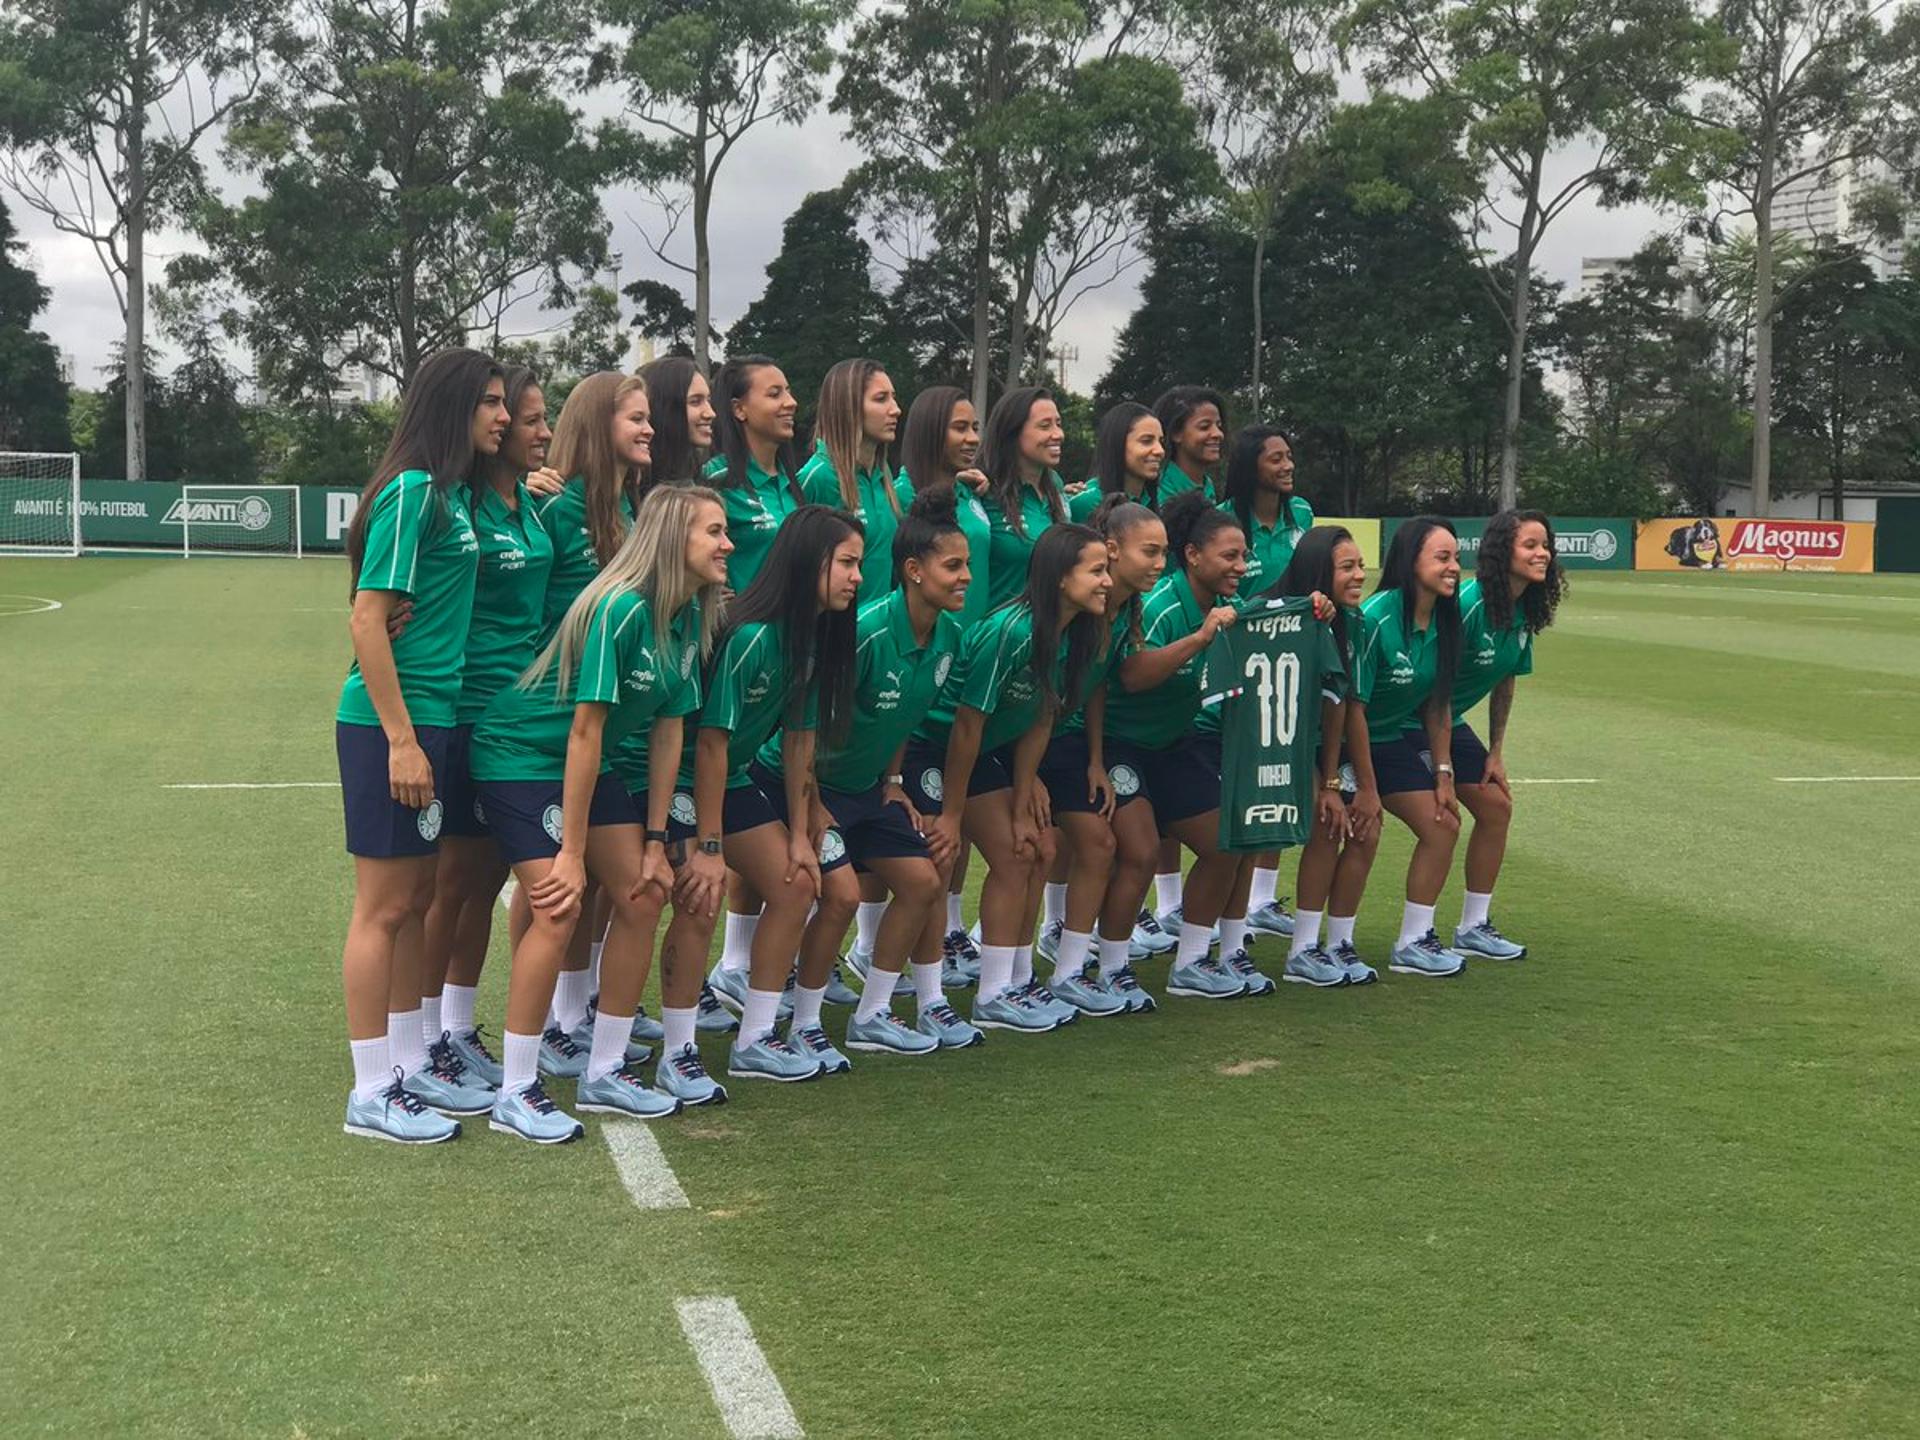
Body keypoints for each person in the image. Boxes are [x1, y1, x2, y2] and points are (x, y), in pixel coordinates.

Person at [469, 483, 731, 1140]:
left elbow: (669, 731)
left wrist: (652, 839)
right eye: (714, 532)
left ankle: (605, 1070)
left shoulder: (690, 614)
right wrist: (571, 852)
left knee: (647, 892)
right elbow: (584, 734)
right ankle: (516, 1091)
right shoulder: (619, 608)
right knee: (559, 904)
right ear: (676, 540)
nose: (728, 545)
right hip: (524, 756)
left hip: (590, 764)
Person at [335, 347, 503, 1143]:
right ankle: (370, 1089)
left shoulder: (451, 496)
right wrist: (403, 741)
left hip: (429, 715)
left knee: (415, 903)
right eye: (491, 403)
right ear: (453, 408)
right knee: (383, 907)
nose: (502, 417)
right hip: (388, 724)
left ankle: (403, 1069)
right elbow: (368, 617)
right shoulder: (411, 491)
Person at [768, 488, 979, 1053]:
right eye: (953, 566)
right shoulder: (863, 633)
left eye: (967, 566)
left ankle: (874, 1014)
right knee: (839, 896)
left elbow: (903, 716)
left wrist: (891, 783)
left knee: (925, 880)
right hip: (814, 788)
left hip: (868, 789)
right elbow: (801, 730)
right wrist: (813, 805)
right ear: (913, 571)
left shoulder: (949, 638)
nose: (965, 577)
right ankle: (803, 1024)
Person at [674, 506, 865, 1082]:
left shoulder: (810, 637)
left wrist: (805, 831)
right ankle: (676, 1051)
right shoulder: (753, 634)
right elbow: (709, 746)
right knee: (700, 899)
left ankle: (755, 1040)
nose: (857, 577)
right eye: (847, 564)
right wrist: (709, 846)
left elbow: (798, 743)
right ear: (810, 563)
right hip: (681, 782)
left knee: (798, 883)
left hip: (728, 780)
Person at [903, 523, 1112, 1032]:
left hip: (986, 752)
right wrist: (952, 815)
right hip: (934, 747)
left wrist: (1023, 797)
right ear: (1061, 579)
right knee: (999, 854)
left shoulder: (1074, 634)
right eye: (1097, 570)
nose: (1108, 581)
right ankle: (991, 993)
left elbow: (1041, 719)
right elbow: (966, 727)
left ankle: (1017, 980)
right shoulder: (1013, 631)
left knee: (1037, 844)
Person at [419, 366, 557, 1090]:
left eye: (535, 417)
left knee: (485, 880)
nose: (533, 430)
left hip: (516, 722)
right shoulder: (458, 504)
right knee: (453, 885)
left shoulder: (532, 507)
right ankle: (421, 1037)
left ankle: (456, 1026)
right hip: (466, 713)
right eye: (521, 416)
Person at [1101, 491, 1259, 1001]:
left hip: (1173, 743)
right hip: (1117, 744)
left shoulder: (1226, 607)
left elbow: (1267, 622)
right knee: (1141, 852)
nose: (1241, 565)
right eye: (1229, 556)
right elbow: (1130, 675)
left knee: (1225, 843)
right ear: (1193, 556)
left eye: (1243, 555)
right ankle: (1110, 968)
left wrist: (1315, 608)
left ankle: (1191, 963)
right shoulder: (1163, 605)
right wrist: (1199, 639)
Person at [1035, 495, 1169, 1014]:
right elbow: (1039, 702)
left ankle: (1094, 968)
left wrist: (1094, 760)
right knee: (1047, 849)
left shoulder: (1116, 610)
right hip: (1026, 747)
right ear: (1112, 551)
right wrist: (1028, 776)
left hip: (1074, 746)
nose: (1160, 564)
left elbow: (1095, 689)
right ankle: (1031, 971)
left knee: (1119, 846)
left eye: (1164, 554)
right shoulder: (1068, 612)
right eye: (1150, 552)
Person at [1328, 516, 1470, 979]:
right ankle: (1333, 943)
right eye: (1443, 557)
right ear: (1412, 562)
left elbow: (1438, 707)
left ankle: (1414, 941)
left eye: (1456, 558)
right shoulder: (1375, 619)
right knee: (1363, 829)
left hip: (1388, 738)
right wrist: (1367, 789)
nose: (1454, 568)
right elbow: (1354, 711)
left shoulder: (1447, 619)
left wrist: (1444, 775)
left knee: (1444, 824)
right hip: (1345, 740)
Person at [896, 386, 994, 988]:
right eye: (959, 427)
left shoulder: (971, 493)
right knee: (925, 819)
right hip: (917, 669)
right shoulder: (905, 496)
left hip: (967, 658)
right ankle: (895, 947)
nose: (971, 437)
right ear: (931, 430)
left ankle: (951, 926)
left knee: (949, 819)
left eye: (975, 426)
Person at [1445, 508, 1566, 960]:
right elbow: (1430, 686)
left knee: (1496, 808)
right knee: (1437, 822)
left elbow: (1506, 677)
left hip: (1447, 722)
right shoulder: (1467, 606)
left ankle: (1473, 926)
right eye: (1530, 545)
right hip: (1404, 721)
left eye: (1544, 545)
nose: (1543, 554)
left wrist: (1495, 751)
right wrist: (1440, 767)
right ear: (1502, 552)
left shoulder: (1521, 611)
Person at [1219, 424, 1316, 940]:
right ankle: (1194, 902)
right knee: (1244, 773)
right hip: (1240, 654)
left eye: (1290, 455)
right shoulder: (1226, 519)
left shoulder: (1301, 515)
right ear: (1251, 464)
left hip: (1291, 657)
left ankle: (1261, 897)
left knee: (1279, 766)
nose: (1287, 464)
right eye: (1275, 457)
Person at [1275, 526, 1379, 986]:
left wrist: (1360, 786)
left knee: (1365, 829)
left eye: (1361, 565)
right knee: (1325, 826)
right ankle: (1302, 950)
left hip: (1323, 742)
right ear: (1320, 572)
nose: (1360, 575)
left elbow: (1347, 705)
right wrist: (1327, 786)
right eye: (1347, 567)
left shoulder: (1355, 622)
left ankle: (1338, 942)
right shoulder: (1286, 616)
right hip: (1278, 740)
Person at [798, 358, 909, 607]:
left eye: (893, 397)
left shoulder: (884, 477)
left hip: (877, 635)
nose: (896, 409)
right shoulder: (817, 477)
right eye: (881, 399)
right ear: (847, 407)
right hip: (833, 635)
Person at [701, 354, 806, 592]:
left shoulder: (792, 483)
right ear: (739, 409)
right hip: (746, 626)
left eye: (788, 392)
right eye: (774, 394)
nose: (791, 402)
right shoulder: (714, 480)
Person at [977, 386, 1069, 611]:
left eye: (1058, 423)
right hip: (997, 635)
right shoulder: (983, 489)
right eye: (1044, 426)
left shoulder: (1056, 484)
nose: (1058, 434)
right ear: (1012, 432)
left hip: (1046, 633)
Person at [1067, 403, 1165, 521]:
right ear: (1117, 444)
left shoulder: (1154, 500)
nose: (1160, 451)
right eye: (1146, 441)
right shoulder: (1087, 502)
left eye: (1161, 441)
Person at [640, 355, 717, 488]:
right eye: (695, 402)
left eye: (708, 400)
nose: (711, 413)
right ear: (665, 408)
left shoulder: (701, 478)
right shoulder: (634, 487)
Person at [1151, 385, 1226, 503]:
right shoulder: (1159, 489)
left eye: (1219, 426)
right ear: (1176, 433)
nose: (1218, 434)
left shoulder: (1207, 486)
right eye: (1204, 427)